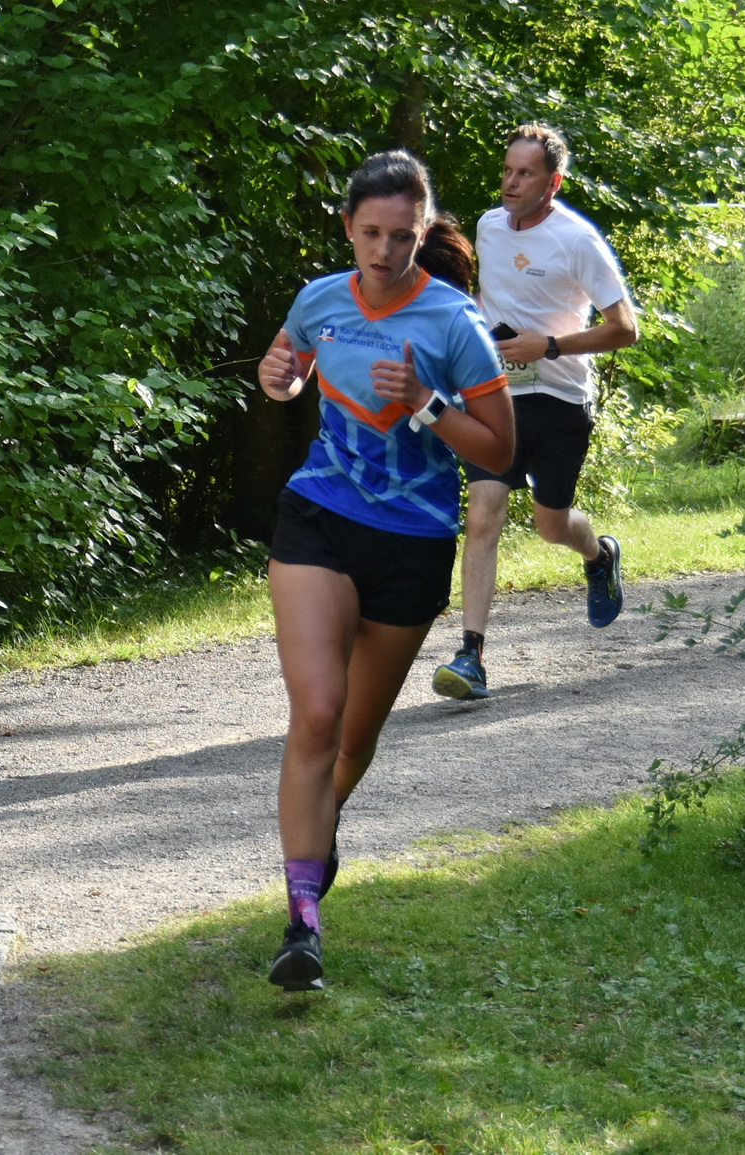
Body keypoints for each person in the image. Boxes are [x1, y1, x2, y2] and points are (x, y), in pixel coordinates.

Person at [256, 150, 515, 990]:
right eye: (369, 232)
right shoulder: (320, 298)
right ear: (348, 227)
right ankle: (303, 923)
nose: (383, 249)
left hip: (412, 539)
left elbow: (500, 449)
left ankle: (312, 854)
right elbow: (288, 367)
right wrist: (280, 382)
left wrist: (426, 404)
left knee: (353, 740)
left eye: (400, 235)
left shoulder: (453, 323)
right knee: (318, 714)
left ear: (421, 230)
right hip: (321, 518)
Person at [430, 123, 639, 701]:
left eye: (524, 173)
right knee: (483, 516)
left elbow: (625, 329)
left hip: (560, 396)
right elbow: (487, 299)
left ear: (554, 182)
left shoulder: (578, 240)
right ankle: (470, 655)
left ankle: (600, 554)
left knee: (551, 525)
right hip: (497, 392)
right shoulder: (489, 227)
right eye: (507, 170)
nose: (510, 183)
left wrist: (546, 346)